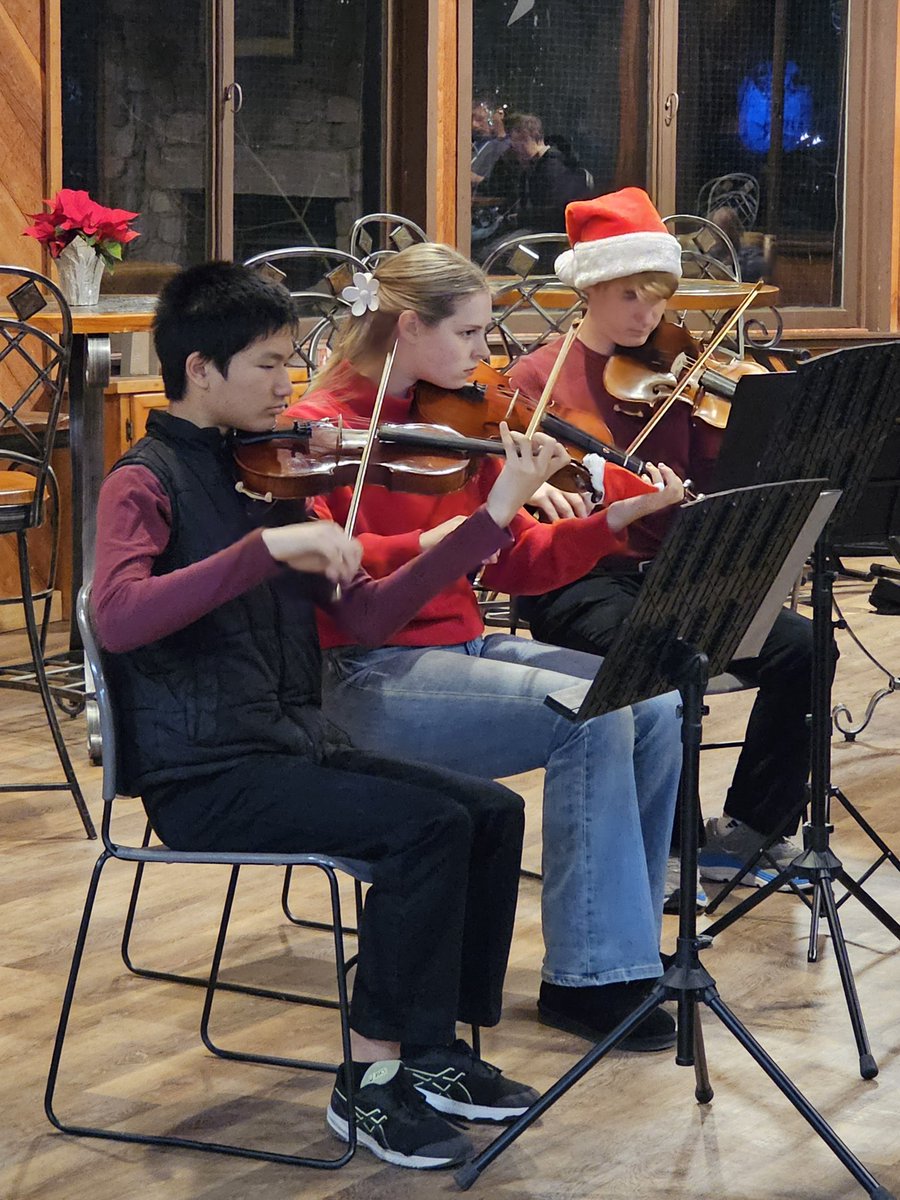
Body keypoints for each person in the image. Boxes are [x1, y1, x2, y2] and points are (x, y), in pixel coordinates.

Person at [90, 260, 586, 1170]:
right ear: (200, 368)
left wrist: (494, 518)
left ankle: (432, 1055)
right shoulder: (145, 479)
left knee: (488, 810)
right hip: (204, 774)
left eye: (290, 363)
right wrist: (264, 548)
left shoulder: (274, 470)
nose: (290, 386)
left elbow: (364, 617)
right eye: (269, 366)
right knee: (426, 828)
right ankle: (371, 1084)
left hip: (289, 745)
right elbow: (118, 617)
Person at [286, 242, 686, 1053]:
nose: (485, 356)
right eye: (470, 334)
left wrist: (611, 523)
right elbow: (348, 587)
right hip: (361, 676)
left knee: (651, 699)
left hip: (458, 657)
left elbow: (516, 563)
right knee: (591, 710)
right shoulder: (316, 435)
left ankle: (627, 950)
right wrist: (464, 525)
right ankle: (589, 977)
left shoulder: (447, 418)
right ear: (406, 328)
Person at [507, 187, 826, 902]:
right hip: (579, 577)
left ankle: (749, 830)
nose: (649, 317)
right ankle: (670, 850)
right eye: (631, 298)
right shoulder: (539, 380)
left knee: (806, 648)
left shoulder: (681, 374)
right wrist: (526, 487)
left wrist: (740, 444)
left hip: (678, 572)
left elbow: (729, 481)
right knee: (662, 656)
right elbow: (495, 478)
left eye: (657, 299)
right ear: (589, 286)